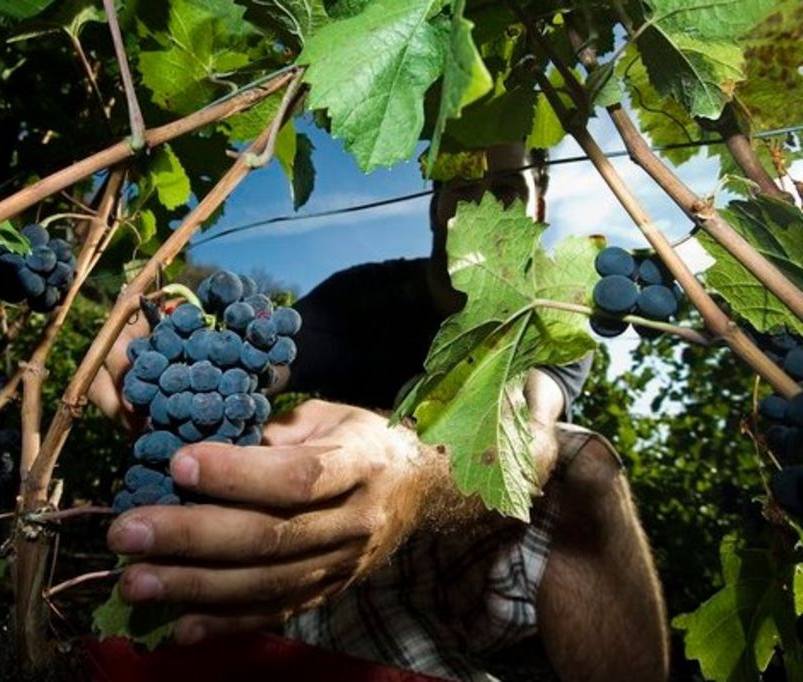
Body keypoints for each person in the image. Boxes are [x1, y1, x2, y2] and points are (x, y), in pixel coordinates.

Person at [88, 143, 669, 681]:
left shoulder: (550, 316)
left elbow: (531, 434)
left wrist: (411, 476)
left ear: (540, 204)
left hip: (478, 547)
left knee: (586, 462)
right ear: (436, 202)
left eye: (508, 184)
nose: (486, 198)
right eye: (463, 179)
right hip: (348, 555)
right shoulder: (360, 296)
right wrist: (169, 347)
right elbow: (266, 359)